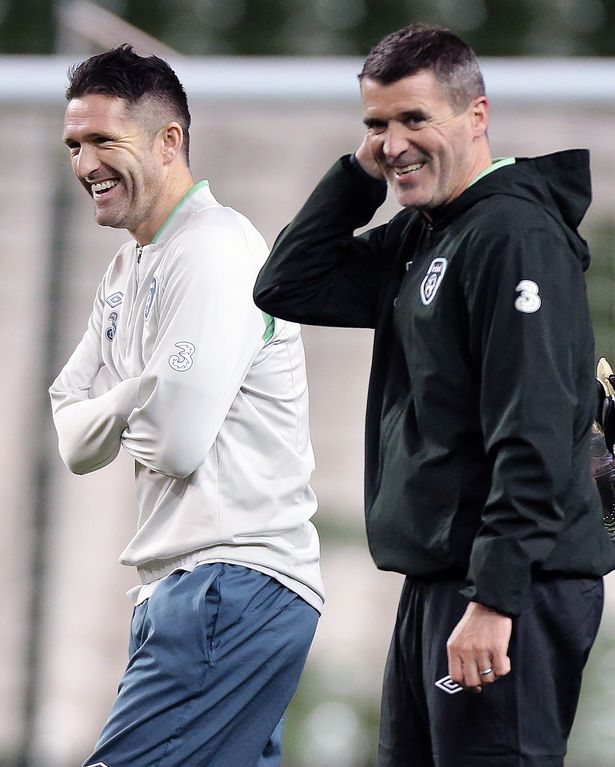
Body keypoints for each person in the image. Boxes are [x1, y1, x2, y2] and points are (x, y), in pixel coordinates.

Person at [254, 23, 615, 767]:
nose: (392, 143)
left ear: (475, 116)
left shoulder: (513, 233)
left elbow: (537, 428)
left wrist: (495, 598)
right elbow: (287, 283)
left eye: (414, 118)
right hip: (442, 584)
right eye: (375, 125)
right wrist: (362, 170)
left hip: (507, 587)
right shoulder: (426, 234)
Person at [49, 45, 322, 767]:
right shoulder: (129, 265)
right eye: (75, 143)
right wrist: (141, 392)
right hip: (194, 591)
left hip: (230, 583)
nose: (85, 164)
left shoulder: (213, 251)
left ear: (169, 141)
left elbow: (175, 444)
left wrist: (119, 404)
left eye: (105, 139)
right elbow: (69, 437)